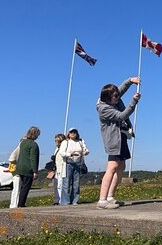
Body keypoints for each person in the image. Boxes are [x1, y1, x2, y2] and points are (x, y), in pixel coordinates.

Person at [95, 76, 141, 209]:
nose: (118, 97)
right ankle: (102, 200)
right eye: (115, 96)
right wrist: (134, 101)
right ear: (108, 98)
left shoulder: (112, 97)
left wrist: (130, 81)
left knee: (121, 167)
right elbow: (121, 116)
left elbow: (120, 90)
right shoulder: (104, 108)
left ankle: (110, 197)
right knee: (112, 167)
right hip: (113, 140)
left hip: (122, 136)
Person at [59, 128, 89, 205]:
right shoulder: (65, 142)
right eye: (71, 132)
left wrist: (85, 152)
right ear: (68, 134)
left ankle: (75, 200)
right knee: (66, 183)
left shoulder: (80, 141)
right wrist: (70, 154)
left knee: (76, 183)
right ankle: (65, 201)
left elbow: (86, 149)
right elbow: (61, 152)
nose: (73, 133)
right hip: (68, 163)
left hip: (78, 164)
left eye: (74, 132)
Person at [16, 126, 40, 208]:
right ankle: (21, 204)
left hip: (20, 167)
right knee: (26, 188)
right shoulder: (33, 145)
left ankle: (20, 203)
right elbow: (33, 158)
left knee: (22, 187)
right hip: (28, 169)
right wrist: (35, 171)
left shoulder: (23, 142)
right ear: (35, 135)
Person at [7, 136, 25, 209]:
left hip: (16, 171)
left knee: (17, 188)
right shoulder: (20, 148)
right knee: (17, 188)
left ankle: (14, 204)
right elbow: (12, 158)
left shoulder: (19, 147)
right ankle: (14, 205)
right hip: (17, 172)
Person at [49, 133, 66, 205]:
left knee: (60, 185)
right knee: (56, 185)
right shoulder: (56, 149)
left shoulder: (64, 149)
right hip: (56, 169)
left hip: (62, 169)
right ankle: (56, 200)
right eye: (56, 141)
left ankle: (60, 200)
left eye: (58, 141)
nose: (57, 143)